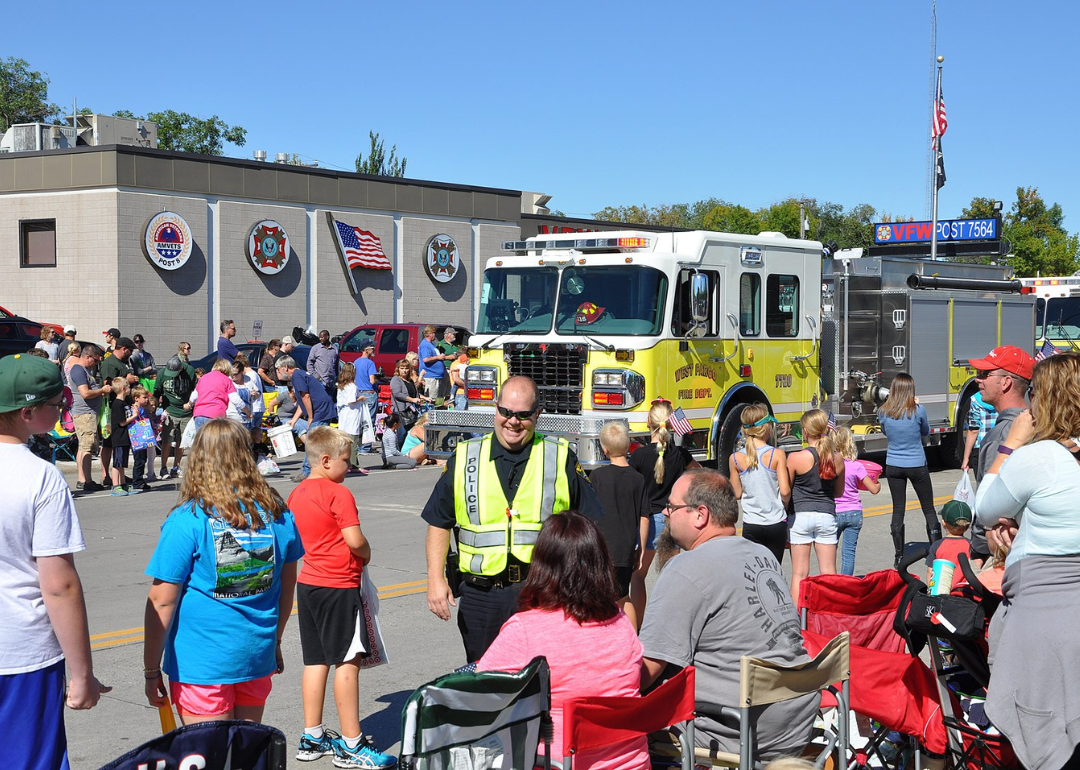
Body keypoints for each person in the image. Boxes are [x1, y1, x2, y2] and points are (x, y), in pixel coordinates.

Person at [639, 469, 817, 760]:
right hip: (795, 720)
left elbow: (646, 671)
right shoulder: (763, 554)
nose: (666, 515)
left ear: (700, 515)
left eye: (672, 507)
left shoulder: (686, 568)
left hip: (739, 729)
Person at [422, 375, 603, 661]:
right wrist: (435, 579)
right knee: (485, 684)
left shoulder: (559, 457)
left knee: (542, 685)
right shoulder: (466, 456)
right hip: (482, 596)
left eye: (522, 415)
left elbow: (591, 527)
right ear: (496, 409)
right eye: (505, 412)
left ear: (538, 414)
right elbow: (439, 521)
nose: (512, 421)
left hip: (543, 595)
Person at [143, 419, 303, 726]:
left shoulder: (188, 519)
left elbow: (162, 601)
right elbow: (287, 585)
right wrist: (276, 643)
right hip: (256, 655)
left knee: (209, 754)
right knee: (244, 750)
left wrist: (151, 669)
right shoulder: (278, 513)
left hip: (202, 664)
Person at [0, 354, 109, 769]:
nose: (62, 411)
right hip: (19, 657)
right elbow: (58, 585)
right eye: (56, 405)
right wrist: (81, 676)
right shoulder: (39, 476)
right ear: (28, 413)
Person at [973, 352, 1080, 770]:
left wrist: (1009, 445)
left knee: (1040, 731)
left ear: (1044, 399)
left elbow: (984, 509)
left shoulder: (1040, 458)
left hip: (1045, 619)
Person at [478, 512, 649, 770]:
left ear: (541, 565)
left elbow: (478, 699)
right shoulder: (621, 622)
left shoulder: (525, 629)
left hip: (559, 763)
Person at [288, 427, 396, 769]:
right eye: (346, 461)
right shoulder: (337, 494)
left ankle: (313, 734)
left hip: (309, 584)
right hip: (339, 585)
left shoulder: (298, 492)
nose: (349, 467)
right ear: (325, 460)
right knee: (348, 662)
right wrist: (366, 552)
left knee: (315, 660)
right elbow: (354, 539)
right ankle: (352, 744)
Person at [628, 399, 700, 625]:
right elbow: (698, 473)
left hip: (647, 521)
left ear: (648, 422)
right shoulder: (680, 454)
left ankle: (639, 626)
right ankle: (671, 624)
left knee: (638, 575)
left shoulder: (639, 456)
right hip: (673, 520)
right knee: (671, 577)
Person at [969, 344, 1034, 566]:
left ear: (1006, 382)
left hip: (999, 552)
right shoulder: (1035, 423)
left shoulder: (1001, 436)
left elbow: (988, 502)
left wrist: (978, 554)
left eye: (985, 374)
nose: (978, 380)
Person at [589, 421, 649, 628]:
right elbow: (644, 516)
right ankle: (633, 641)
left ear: (604, 449)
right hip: (625, 546)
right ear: (627, 446)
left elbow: (589, 513)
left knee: (600, 597)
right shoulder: (638, 479)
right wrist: (640, 548)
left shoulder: (597, 476)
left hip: (602, 548)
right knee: (624, 596)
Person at [877, 373, 937, 566]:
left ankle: (899, 555)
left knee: (898, 509)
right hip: (917, 464)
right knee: (928, 508)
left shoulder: (883, 412)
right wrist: (916, 406)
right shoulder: (919, 411)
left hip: (894, 464)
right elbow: (926, 431)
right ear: (911, 390)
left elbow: (886, 431)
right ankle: (936, 549)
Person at [787, 409, 844, 600]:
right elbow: (838, 492)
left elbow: (786, 490)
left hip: (800, 517)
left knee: (799, 574)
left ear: (805, 431)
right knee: (829, 572)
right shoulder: (837, 458)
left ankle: (797, 620)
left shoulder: (795, 458)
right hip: (826, 515)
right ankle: (831, 616)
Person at [728, 403, 790, 565]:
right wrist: (787, 506)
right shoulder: (777, 454)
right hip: (775, 521)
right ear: (765, 428)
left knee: (755, 572)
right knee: (774, 570)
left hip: (752, 523)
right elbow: (784, 491)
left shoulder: (735, 459)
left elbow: (737, 493)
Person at [277, 356, 337, 482]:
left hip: (320, 411)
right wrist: (293, 420)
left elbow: (306, 397)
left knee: (312, 441)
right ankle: (320, 468)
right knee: (318, 441)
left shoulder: (297, 376)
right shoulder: (300, 374)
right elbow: (302, 402)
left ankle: (307, 471)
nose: (278, 373)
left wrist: (310, 417)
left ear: (286, 368)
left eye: (278, 369)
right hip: (323, 409)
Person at [833, 426, 880, 576]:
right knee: (849, 553)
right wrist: (878, 485)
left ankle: (832, 581)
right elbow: (873, 489)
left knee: (829, 552)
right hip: (854, 512)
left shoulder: (831, 465)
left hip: (835, 513)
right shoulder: (857, 466)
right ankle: (846, 583)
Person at [68, 344, 112, 493]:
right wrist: (102, 390)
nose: (95, 363)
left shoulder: (83, 370)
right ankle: (87, 480)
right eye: (95, 360)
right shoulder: (79, 370)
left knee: (83, 446)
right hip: (84, 414)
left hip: (87, 413)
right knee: (87, 447)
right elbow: (85, 393)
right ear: (87, 357)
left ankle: (82, 478)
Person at [154, 344, 195, 479]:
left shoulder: (189, 371)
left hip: (186, 413)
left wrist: (190, 404)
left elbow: (196, 390)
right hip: (170, 411)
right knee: (167, 441)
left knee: (182, 441)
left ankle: (176, 467)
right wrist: (156, 407)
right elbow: (157, 391)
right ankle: (163, 468)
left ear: (181, 368)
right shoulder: (162, 373)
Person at [924, 500, 972, 590]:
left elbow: (930, 572)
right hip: (964, 592)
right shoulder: (970, 545)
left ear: (943, 523)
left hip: (942, 592)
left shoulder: (937, 545)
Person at [107, 378, 141, 497]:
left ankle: (123, 484)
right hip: (119, 437)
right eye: (128, 386)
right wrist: (134, 416)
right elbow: (121, 422)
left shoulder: (125, 402)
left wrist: (134, 410)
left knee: (123, 462)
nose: (130, 389)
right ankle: (115, 485)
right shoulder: (117, 404)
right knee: (117, 463)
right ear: (123, 389)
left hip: (125, 437)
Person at [335, 362, 369, 473]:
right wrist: (361, 398)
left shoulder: (341, 386)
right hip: (351, 415)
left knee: (344, 440)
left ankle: (346, 463)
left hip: (344, 415)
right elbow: (351, 401)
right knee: (353, 440)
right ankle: (354, 464)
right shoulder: (352, 387)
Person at [186, 358, 237, 429]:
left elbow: (194, 396)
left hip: (199, 414)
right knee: (214, 440)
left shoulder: (203, 378)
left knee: (201, 439)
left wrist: (189, 404)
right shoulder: (227, 380)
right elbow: (235, 399)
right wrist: (247, 411)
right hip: (216, 415)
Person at [961, 390, 996, 473]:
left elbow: (973, 430)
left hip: (980, 449)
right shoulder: (1003, 399)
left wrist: (966, 459)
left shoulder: (976, 400)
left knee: (982, 484)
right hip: (1000, 448)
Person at [353, 341, 378, 452]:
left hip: (359, 393)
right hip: (369, 393)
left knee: (359, 421)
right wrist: (378, 379)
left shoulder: (355, 362)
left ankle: (358, 446)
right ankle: (366, 447)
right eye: (372, 348)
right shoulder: (370, 363)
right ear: (366, 350)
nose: (373, 350)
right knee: (369, 421)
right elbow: (372, 381)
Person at [307, 330, 340, 402]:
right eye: (319, 337)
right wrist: (316, 376)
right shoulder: (316, 348)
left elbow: (337, 364)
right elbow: (309, 363)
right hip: (320, 380)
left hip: (331, 381)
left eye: (322, 337)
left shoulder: (334, 349)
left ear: (327, 337)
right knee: (321, 401)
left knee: (330, 401)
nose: (320, 339)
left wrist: (337, 377)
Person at [417, 325, 447, 401]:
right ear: (430, 334)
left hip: (436, 376)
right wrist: (438, 357)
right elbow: (426, 359)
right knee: (432, 400)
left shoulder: (431, 345)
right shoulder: (425, 345)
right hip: (430, 376)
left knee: (438, 400)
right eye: (434, 333)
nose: (435, 335)